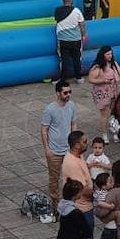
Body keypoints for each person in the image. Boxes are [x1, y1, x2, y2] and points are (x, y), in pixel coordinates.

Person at [41, 80, 78, 212]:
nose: (68, 95)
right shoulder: (50, 109)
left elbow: (73, 124)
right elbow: (44, 129)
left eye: (70, 92)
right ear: (58, 93)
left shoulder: (72, 106)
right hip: (54, 151)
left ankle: (70, 202)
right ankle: (55, 204)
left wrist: (75, 145)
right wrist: (47, 149)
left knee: (70, 177)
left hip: (68, 150)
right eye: (65, 92)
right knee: (54, 178)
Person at [86, 46, 120, 142]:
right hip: (102, 93)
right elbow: (90, 79)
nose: (110, 56)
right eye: (108, 54)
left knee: (114, 112)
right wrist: (103, 80)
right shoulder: (98, 66)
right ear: (103, 55)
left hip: (113, 91)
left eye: (111, 53)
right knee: (105, 113)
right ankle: (105, 134)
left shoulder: (113, 64)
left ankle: (114, 132)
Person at [54, 0, 86, 81]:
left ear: (62, 0)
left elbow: (57, 21)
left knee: (64, 60)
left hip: (63, 40)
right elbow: (82, 24)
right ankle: (78, 77)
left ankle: (63, 79)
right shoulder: (77, 11)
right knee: (77, 59)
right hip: (76, 39)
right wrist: (84, 35)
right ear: (71, 0)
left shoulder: (57, 10)